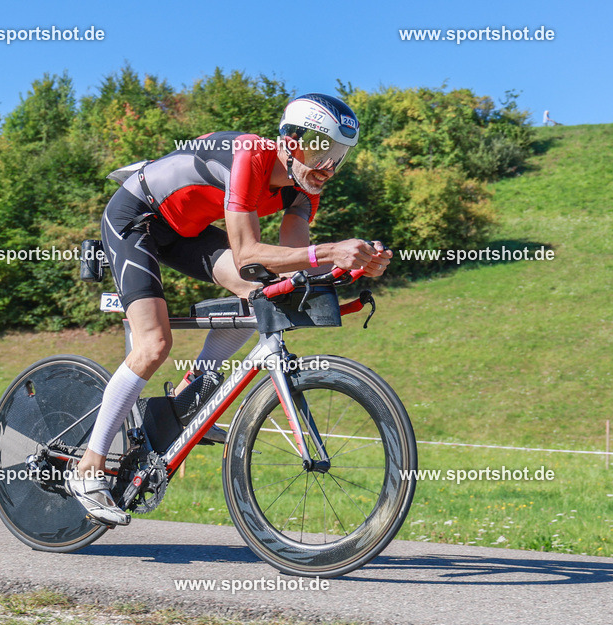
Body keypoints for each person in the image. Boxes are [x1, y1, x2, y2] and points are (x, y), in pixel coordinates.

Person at [65, 93, 392, 525]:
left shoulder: (303, 190)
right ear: (290, 140)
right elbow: (248, 252)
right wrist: (332, 250)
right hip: (136, 216)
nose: (328, 167)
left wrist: (352, 264)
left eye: (339, 156)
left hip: (185, 230)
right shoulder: (251, 156)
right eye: (321, 150)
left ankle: (191, 393)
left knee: (266, 292)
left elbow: (288, 261)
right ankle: (88, 467)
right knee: (154, 343)